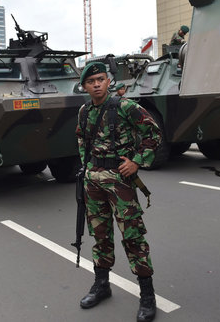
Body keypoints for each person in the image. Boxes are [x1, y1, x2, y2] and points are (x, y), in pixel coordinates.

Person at [76, 62, 162, 322]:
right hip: (93, 182)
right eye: (91, 81)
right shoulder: (84, 111)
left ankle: (147, 295)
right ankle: (102, 285)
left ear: (108, 81)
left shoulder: (125, 107)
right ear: (85, 86)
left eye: (101, 79)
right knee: (99, 235)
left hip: (119, 182)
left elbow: (153, 133)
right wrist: (88, 169)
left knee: (133, 236)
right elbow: (82, 140)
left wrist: (136, 160)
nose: (97, 84)